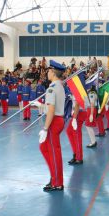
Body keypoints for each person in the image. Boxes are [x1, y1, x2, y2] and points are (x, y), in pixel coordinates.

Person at [38, 60, 66, 192]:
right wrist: (41, 106)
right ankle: (54, 176)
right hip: (58, 119)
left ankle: (57, 183)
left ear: (53, 72)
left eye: (49, 71)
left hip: (53, 121)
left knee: (54, 153)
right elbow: (51, 107)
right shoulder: (60, 86)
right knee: (45, 147)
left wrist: (45, 128)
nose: (47, 73)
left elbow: (51, 110)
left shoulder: (51, 88)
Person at [66, 95, 87, 165]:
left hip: (79, 113)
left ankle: (79, 158)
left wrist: (74, 118)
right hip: (77, 112)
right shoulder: (72, 89)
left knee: (76, 134)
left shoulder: (77, 89)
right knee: (69, 131)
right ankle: (75, 153)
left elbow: (78, 104)